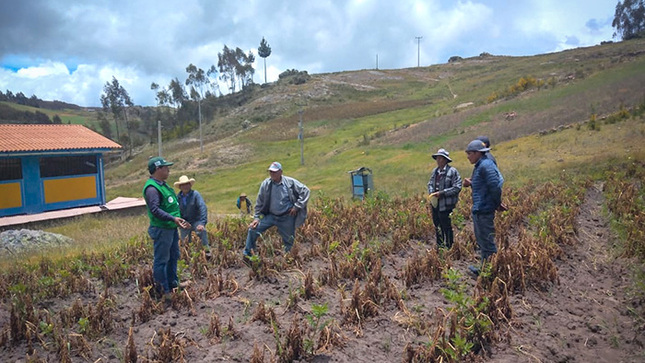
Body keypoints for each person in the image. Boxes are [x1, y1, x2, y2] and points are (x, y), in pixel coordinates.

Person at [143, 156, 190, 305]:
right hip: (162, 229)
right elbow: (155, 209)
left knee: (173, 255)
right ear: (157, 169)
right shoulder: (152, 188)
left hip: (170, 228)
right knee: (161, 260)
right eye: (165, 167)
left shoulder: (162, 185)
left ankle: (173, 283)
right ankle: (163, 290)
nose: (168, 170)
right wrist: (173, 218)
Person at [243, 161, 310, 263]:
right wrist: (256, 218)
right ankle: (247, 255)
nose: (272, 174)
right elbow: (259, 203)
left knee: (289, 240)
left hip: (286, 217)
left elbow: (306, 191)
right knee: (252, 229)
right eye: (270, 172)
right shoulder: (265, 184)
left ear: (280, 172)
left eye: (274, 172)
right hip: (271, 216)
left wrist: (297, 207)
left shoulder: (290, 183)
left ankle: (288, 260)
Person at [464, 140, 504, 275]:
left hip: (484, 208)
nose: (468, 157)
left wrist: (496, 203)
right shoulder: (481, 165)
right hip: (480, 207)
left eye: (469, 154)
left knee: (487, 241)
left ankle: (493, 272)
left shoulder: (485, 166)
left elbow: (495, 186)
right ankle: (484, 269)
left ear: (477, 153)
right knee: (482, 240)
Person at [427, 148, 462, 249]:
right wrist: (432, 193)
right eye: (437, 158)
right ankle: (440, 246)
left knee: (446, 226)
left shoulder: (452, 171)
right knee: (437, 225)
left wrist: (442, 193)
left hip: (446, 205)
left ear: (446, 160)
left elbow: (457, 187)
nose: (438, 160)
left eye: (440, 158)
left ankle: (449, 246)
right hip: (435, 204)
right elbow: (430, 183)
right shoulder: (435, 172)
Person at [174, 175, 211, 259]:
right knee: (185, 240)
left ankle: (207, 251)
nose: (185, 186)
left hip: (196, 220)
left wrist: (202, 222)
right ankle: (188, 256)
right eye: (183, 185)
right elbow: (176, 212)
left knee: (202, 231)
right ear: (180, 187)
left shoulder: (195, 194)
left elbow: (202, 207)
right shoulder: (178, 198)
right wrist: (182, 222)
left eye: (187, 184)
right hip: (184, 222)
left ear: (190, 185)